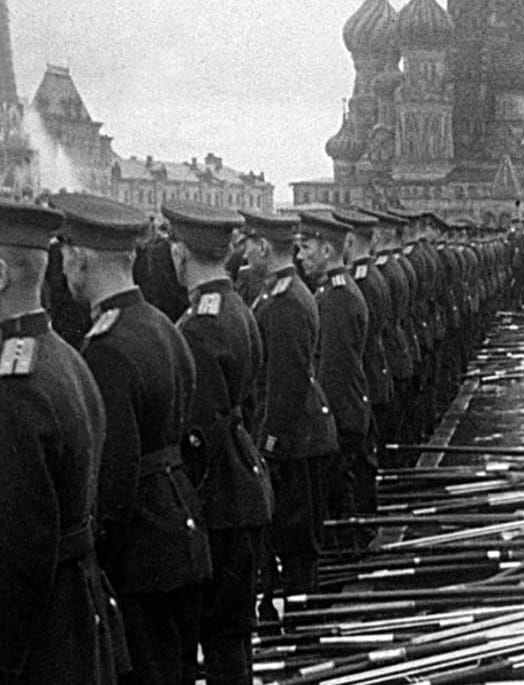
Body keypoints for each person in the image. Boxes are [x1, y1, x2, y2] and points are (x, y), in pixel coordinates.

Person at [52, 192, 211, 685]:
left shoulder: (106, 348)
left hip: (141, 554)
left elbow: (112, 480)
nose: (62, 271)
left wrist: (102, 556)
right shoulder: (164, 326)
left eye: (64, 258)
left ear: (80, 257)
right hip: (181, 528)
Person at [0, 201, 125, 685]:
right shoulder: (64, 357)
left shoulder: (13, 387)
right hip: (75, 613)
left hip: (38, 639)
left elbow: (17, 550)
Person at [163, 200, 273, 685]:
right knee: (233, 639)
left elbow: (197, 436)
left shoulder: (199, 326)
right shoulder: (237, 308)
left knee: (215, 641)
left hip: (219, 504)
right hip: (243, 487)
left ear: (181, 253)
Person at [240, 210, 338, 597]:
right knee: (295, 547)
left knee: (297, 550)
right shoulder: (283, 293)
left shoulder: (285, 303)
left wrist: (267, 447)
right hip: (299, 440)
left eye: (250, 243)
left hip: (295, 444)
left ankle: (302, 631)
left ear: (264, 247)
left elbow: (284, 388)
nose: (245, 251)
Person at [296, 211, 369, 551]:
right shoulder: (332, 291)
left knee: (342, 504)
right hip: (345, 413)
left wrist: (325, 425)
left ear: (327, 251)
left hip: (340, 417)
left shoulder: (336, 298)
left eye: (306, 247)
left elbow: (333, 373)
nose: (300, 255)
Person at [335, 208, 391, 535]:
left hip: (362, 379)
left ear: (351, 239)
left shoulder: (356, 283)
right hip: (375, 371)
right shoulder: (371, 275)